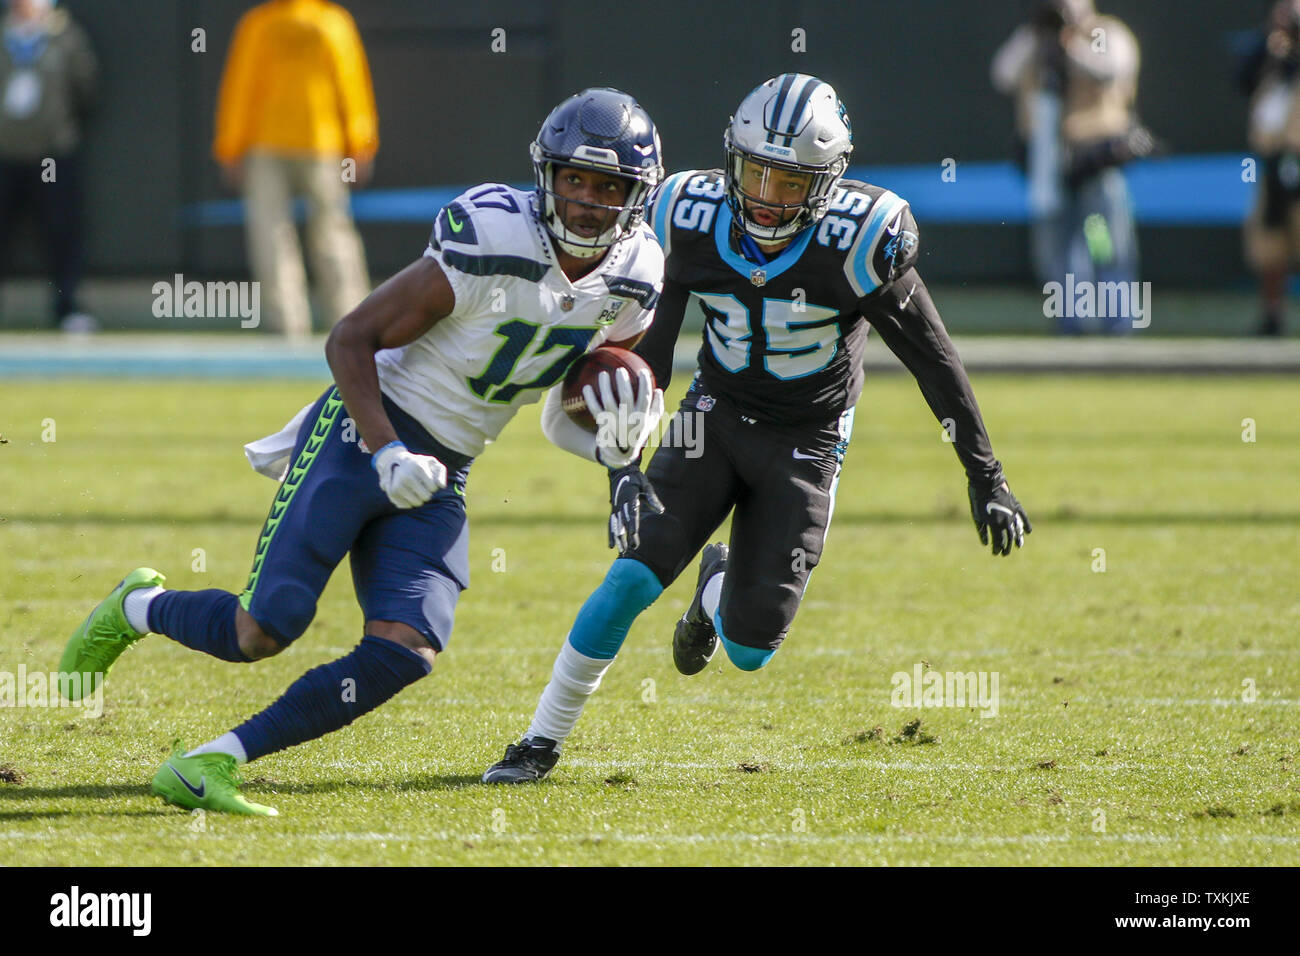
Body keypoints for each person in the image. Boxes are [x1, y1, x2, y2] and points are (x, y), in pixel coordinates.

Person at [58, 88, 667, 816]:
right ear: (547, 176)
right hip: (363, 429)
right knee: (264, 629)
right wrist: (384, 453)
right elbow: (350, 336)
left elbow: (569, 411)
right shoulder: (492, 238)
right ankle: (140, 607)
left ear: (638, 195)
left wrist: (620, 453)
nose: (588, 201)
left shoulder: (636, 278)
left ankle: (212, 761)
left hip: (449, 464)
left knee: (406, 649)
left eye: (608, 186)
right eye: (574, 179)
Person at [483, 73, 1031, 784]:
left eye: (791, 182)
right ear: (730, 160)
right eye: (757, 174)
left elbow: (935, 361)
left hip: (807, 439)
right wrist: (624, 466)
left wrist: (985, 475)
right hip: (712, 415)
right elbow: (644, 357)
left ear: (829, 182)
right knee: (631, 576)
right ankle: (538, 742)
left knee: (750, 648)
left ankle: (716, 591)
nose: (769, 199)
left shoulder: (863, 240)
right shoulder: (686, 212)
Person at [213, 0, 378, 339]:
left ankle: (289, 329)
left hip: (267, 144)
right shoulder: (333, 22)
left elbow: (241, 87)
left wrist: (230, 146)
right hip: (321, 142)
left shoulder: (259, 24)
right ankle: (352, 325)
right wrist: (360, 142)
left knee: (271, 236)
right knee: (333, 233)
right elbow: (351, 83)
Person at [991, 0, 1148, 334]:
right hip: (1048, 162)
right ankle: (1071, 324)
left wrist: (1071, 41)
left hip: (1094, 161)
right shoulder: (1034, 37)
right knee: (1055, 247)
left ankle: (1118, 324)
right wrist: (1036, 35)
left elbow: (1110, 71)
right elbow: (1002, 74)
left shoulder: (1105, 32)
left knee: (1104, 241)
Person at [0, 0, 99, 333]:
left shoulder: (64, 36)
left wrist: (60, 127)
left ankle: (67, 306)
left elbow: (86, 87)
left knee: (61, 229)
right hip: (5, 151)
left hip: (51, 153)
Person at [1238, 0, 1300, 337]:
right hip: (1271, 159)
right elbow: (1242, 78)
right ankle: (1272, 316)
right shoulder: (1271, 48)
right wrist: (1272, 38)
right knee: (1270, 246)